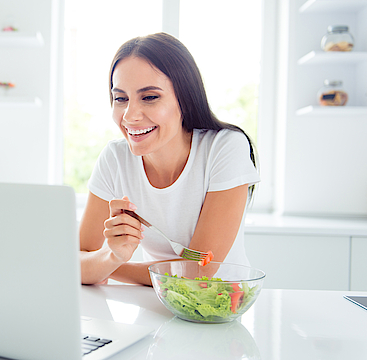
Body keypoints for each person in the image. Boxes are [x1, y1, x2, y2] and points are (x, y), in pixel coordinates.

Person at [79, 32, 260, 286]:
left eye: (150, 97)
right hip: (152, 305)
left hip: (219, 308)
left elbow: (197, 272)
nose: (130, 116)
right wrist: (113, 255)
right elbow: (77, 261)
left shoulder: (225, 148)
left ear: (184, 99)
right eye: (121, 98)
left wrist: (110, 265)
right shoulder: (115, 158)